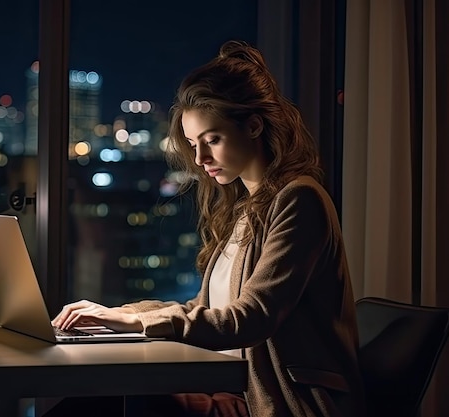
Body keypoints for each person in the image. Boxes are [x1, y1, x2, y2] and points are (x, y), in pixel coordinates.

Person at [51, 40, 366, 417]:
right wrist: (115, 314)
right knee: (96, 400)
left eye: (212, 140)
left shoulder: (300, 199)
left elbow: (250, 318)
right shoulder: (244, 208)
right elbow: (203, 310)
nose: (200, 159)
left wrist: (133, 320)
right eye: (192, 143)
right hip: (232, 390)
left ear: (253, 125)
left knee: (112, 402)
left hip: (279, 402)